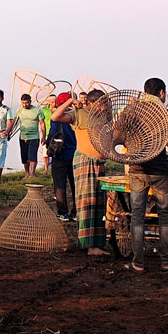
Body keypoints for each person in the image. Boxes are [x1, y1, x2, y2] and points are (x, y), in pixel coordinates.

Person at [121, 78, 168, 272]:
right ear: (161, 93)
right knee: (165, 216)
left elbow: (117, 138)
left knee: (137, 216)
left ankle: (138, 263)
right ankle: (167, 261)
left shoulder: (131, 111)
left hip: (137, 170)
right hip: (160, 171)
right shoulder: (165, 113)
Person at [50, 89, 110, 257]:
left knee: (99, 204)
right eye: (100, 105)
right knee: (86, 203)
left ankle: (97, 243)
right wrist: (70, 102)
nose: (103, 108)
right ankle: (89, 245)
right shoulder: (79, 113)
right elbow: (55, 117)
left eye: (105, 105)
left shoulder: (105, 117)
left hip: (99, 164)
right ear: (91, 103)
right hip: (84, 161)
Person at [47, 93, 77, 221]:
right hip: (75, 155)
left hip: (60, 155)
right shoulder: (77, 116)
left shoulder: (58, 117)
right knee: (76, 185)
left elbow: (52, 135)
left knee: (59, 185)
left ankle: (62, 212)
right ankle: (77, 212)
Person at [16, 94, 44, 178]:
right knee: (24, 157)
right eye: (23, 103)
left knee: (32, 156)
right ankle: (27, 173)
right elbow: (15, 121)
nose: (25, 105)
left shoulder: (37, 110)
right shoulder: (19, 110)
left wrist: (43, 136)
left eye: (26, 103)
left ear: (30, 102)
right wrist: (8, 132)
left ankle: (32, 174)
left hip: (34, 136)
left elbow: (42, 124)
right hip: (23, 136)